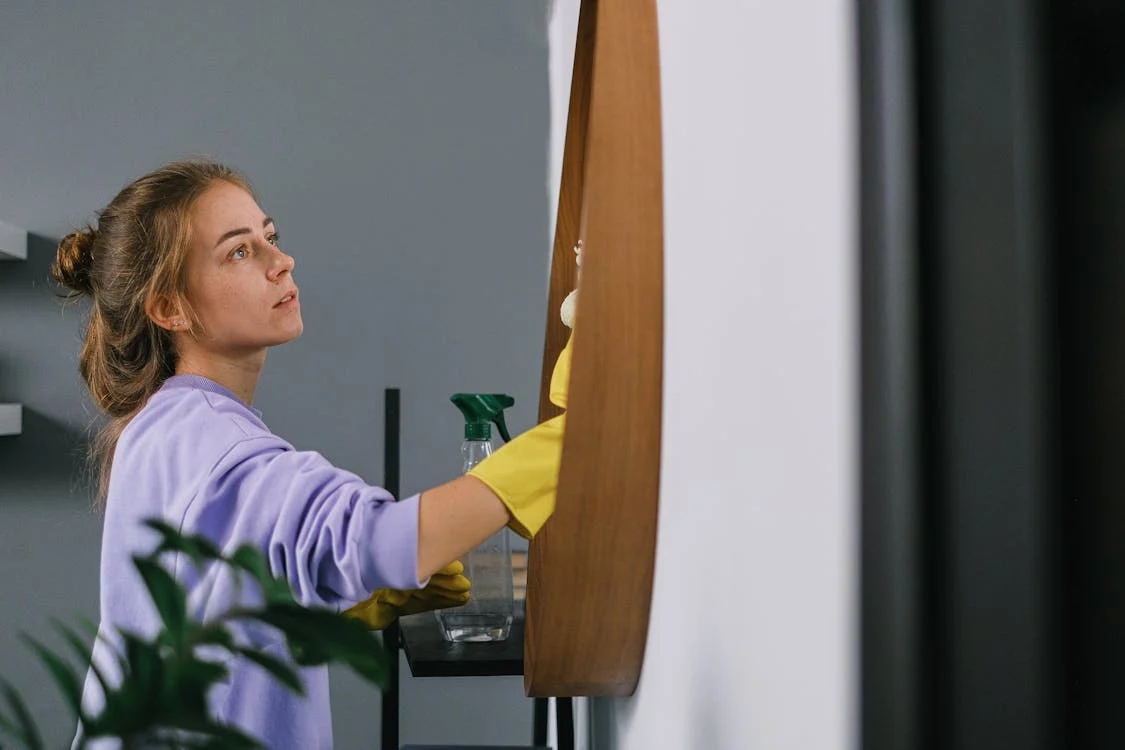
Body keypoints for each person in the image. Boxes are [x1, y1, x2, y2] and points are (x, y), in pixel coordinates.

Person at [52, 159, 568, 748]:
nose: (282, 261)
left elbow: (207, 604)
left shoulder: (159, 429)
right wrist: (569, 442)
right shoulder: (214, 443)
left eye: (270, 237)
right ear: (170, 308)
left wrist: (328, 605)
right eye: (239, 252)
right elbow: (375, 540)